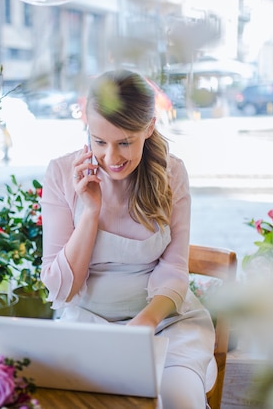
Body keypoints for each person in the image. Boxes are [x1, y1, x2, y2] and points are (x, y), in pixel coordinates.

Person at [40, 69, 216, 409]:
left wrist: (143, 324)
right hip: (87, 325)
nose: (111, 158)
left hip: (163, 323)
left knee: (177, 399)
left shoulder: (171, 173)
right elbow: (61, 290)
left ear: (149, 127)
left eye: (124, 142)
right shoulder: (61, 173)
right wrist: (89, 213)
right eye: (99, 141)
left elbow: (175, 269)